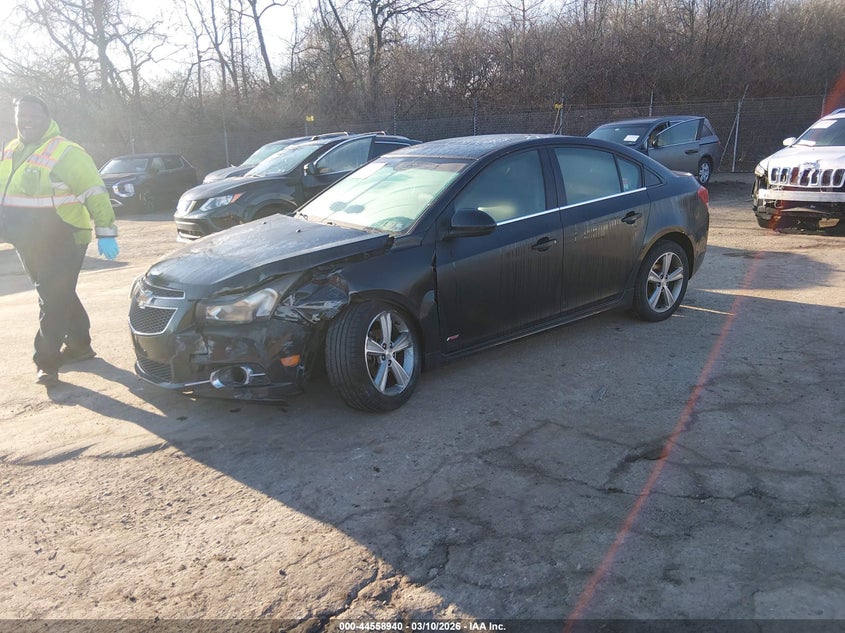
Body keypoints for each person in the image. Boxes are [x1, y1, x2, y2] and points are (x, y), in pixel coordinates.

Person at [0, 95, 119, 385]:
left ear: (47, 117)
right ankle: (80, 346)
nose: (27, 122)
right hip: (26, 240)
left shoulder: (67, 152)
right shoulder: (12, 149)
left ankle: (46, 362)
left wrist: (105, 232)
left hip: (64, 238)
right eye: (21, 117)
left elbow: (95, 192)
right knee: (58, 293)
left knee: (52, 298)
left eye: (34, 116)